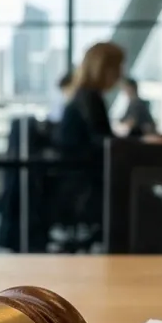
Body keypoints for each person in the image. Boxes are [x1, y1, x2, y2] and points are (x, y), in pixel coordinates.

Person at [52, 42, 125, 250]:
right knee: (146, 203)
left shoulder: (83, 96)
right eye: (118, 68)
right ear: (105, 68)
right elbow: (105, 144)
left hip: (77, 182)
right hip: (87, 187)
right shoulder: (90, 99)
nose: (120, 74)